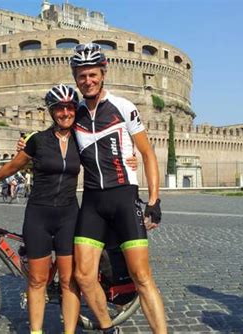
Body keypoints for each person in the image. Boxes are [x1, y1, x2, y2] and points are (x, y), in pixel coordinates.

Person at [69, 43, 167, 333]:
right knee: (84, 275)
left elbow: (147, 154)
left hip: (124, 198)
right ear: (75, 77)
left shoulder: (124, 107)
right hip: (92, 202)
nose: (88, 80)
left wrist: (154, 200)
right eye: (82, 75)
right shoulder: (73, 115)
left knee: (142, 276)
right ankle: (107, 327)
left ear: (103, 72)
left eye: (92, 74)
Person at [0, 84, 82, 334]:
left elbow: (106, 158)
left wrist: (129, 161)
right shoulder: (37, 141)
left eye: (69, 107)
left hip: (69, 216)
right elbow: (12, 167)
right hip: (38, 216)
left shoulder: (82, 140)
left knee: (68, 280)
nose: (65, 112)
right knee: (37, 280)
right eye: (59, 108)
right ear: (52, 112)